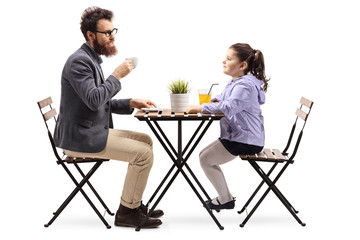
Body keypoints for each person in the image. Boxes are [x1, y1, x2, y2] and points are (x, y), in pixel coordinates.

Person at [53, 6, 163, 228]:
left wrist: (131, 103)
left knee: (146, 141)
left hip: (88, 130)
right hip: (79, 138)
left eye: (113, 31)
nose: (112, 36)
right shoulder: (79, 61)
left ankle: (133, 202)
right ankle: (126, 213)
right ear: (90, 35)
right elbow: (95, 100)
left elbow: (96, 100)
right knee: (142, 154)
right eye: (107, 33)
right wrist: (117, 75)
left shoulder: (91, 59)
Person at [186, 43, 269, 210]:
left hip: (246, 139)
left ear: (242, 65)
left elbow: (229, 106)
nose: (224, 61)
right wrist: (212, 101)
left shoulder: (244, 86)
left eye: (229, 59)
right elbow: (224, 99)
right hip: (241, 136)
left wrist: (201, 108)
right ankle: (226, 198)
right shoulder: (236, 82)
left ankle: (225, 200)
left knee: (205, 159)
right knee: (203, 156)